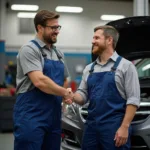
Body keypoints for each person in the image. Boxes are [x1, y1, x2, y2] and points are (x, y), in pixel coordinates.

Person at [65, 25, 140, 150]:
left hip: (114, 126)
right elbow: (83, 96)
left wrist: (124, 127)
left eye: (96, 38)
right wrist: (72, 96)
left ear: (109, 40)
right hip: (91, 127)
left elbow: (133, 100)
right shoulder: (89, 69)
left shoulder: (126, 66)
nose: (92, 41)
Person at [13, 10, 73, 150]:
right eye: (53, 28)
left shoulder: (58, 53)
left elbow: (65, 78)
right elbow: (40, 81)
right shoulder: (29, 50)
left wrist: (65, 96)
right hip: (31, 116)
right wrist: (64, 92)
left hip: (53, 116)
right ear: (40, 28)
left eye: (58, 27)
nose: (57, 31)